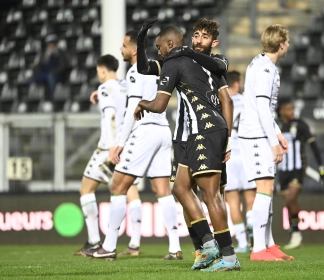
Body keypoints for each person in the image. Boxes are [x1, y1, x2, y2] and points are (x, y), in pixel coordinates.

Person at [134, 25, 240, 271]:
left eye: (205, 36)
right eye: (196, 34)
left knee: (210, 194)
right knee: (181, 190)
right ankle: (204, 247)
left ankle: (227, 254)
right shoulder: (177, 60)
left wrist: (228, 137)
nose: (198, 39)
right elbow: (144, 67)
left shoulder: (213, 64)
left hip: (206, 130)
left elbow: (161, 104)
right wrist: (141, 41)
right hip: (186, 135)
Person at [82, 30, 182, 261]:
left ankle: (108, 245)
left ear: (134, 49)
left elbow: (131, 109)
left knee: (117, 187)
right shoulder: (158, 67)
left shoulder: (136, 70)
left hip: (144, 130)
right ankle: (175, 247)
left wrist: (119, 143)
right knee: (162, 191)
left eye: (124, 45)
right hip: (163, 130)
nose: (120, 49)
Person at [238, 24, 294, 262]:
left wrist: (278, 133)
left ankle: (269, 244)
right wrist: (273, 141)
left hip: (261, 132)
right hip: (255, 135)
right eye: (287, 42)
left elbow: (266, 109)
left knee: (267, 190)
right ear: (281, 44)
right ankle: (258, 249)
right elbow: (261, 107)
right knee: (264, 190)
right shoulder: (265, 70)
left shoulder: (263, 64)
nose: (288, 45)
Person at [73, 54, 128, 256]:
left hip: (108, 149)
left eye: (98, 72)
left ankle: (95, 241)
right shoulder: (125, 86)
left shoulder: (106, 88)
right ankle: (111, 243)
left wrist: (111, 146)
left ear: (103, 70)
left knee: (86, 190)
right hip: (126, 146)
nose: (99, 75)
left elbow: (111, 116)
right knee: (121, 191)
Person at [276, 98, 324, 250]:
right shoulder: (276, 126)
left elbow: (313, 146)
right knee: (288, 202)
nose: (292, 112)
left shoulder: (300, 125)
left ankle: (296, 234)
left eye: (293, 109)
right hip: (282, 170)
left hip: (297, 169)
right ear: (281, 111)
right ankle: (294, 232)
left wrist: (321, 168)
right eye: (288, 109)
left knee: (292, 198)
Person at [224, 71, 256, 253]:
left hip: (228, 156)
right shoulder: (246, 102)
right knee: (251, 197)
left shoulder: (221, 102)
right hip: (246, 153)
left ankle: (242, 243)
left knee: (233, 202)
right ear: (236, 83)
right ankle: (253, 228)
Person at [29, 34, 67, 98]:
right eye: (49, 43)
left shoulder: (60, 53)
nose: (51, 44)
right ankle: (33, 98)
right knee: (32, 79)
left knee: (51, 77)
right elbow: (40, 65)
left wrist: (54, 71)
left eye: (53, 42)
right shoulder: (44, 53)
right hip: (45, 73)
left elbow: (62, 66)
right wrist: (46, 58)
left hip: (56, 74)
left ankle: (53, 97)